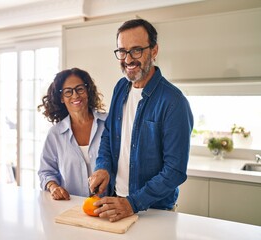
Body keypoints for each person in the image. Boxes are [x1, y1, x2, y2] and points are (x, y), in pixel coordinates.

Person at [88, 18, 194, 222]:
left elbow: (175, 171)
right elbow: (109, 136)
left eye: (136, 50)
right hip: (116, 203)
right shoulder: (121, 87)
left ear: (154, 51)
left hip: (154, 213)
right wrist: (103, 168)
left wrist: (132, 203)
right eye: (122, 51)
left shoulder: (174, 102)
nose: (128, 59)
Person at [38, 67, 107, 200]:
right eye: (68, 92)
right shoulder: (55, 134)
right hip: (69, 206)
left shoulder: (109, 124)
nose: (75, 95)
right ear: (62, 98)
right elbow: (45, 171)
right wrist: (53, 187)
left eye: (79, 89)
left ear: (87, 91)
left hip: (109, 206)